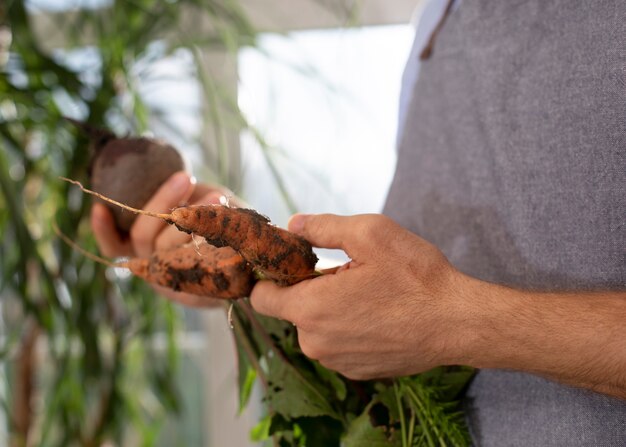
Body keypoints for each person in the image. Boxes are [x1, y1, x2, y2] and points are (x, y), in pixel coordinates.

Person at [92, 0, 626, 444]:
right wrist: (234, 249)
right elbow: (414, 278)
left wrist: (453, 320)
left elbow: (434, 306)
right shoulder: (437, 23)